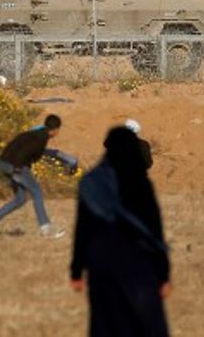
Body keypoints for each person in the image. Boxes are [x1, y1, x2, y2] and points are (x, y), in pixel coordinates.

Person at [70, 126, 171, 336]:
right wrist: (163, 274)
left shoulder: (91, 182)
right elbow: (154, 230)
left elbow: (83, 229)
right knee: (147, 324)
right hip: (139, 262)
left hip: (101, 263)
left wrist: (76, 270)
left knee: (106, 322)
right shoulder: (140, 182)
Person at [0, 114, 66, 238]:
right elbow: (24, 152)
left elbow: (19, 145)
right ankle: (46, 229)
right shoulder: (40, 138)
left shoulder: (37, 133)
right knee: (37, 192)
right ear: (55, 130)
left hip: (4, 163)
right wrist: (17, 169)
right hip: (15, 165)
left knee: (21, 198)